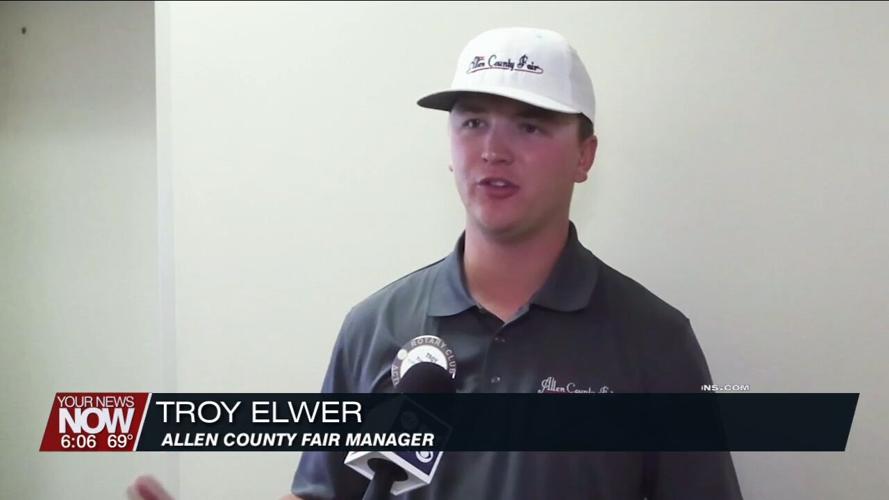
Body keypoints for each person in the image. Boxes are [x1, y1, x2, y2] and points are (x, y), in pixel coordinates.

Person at [130, 27, 743, 500]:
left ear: (585, 156)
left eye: (530, 126)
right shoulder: (375, 328)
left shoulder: (653, 342)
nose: (493, 150)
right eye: (472, 122)